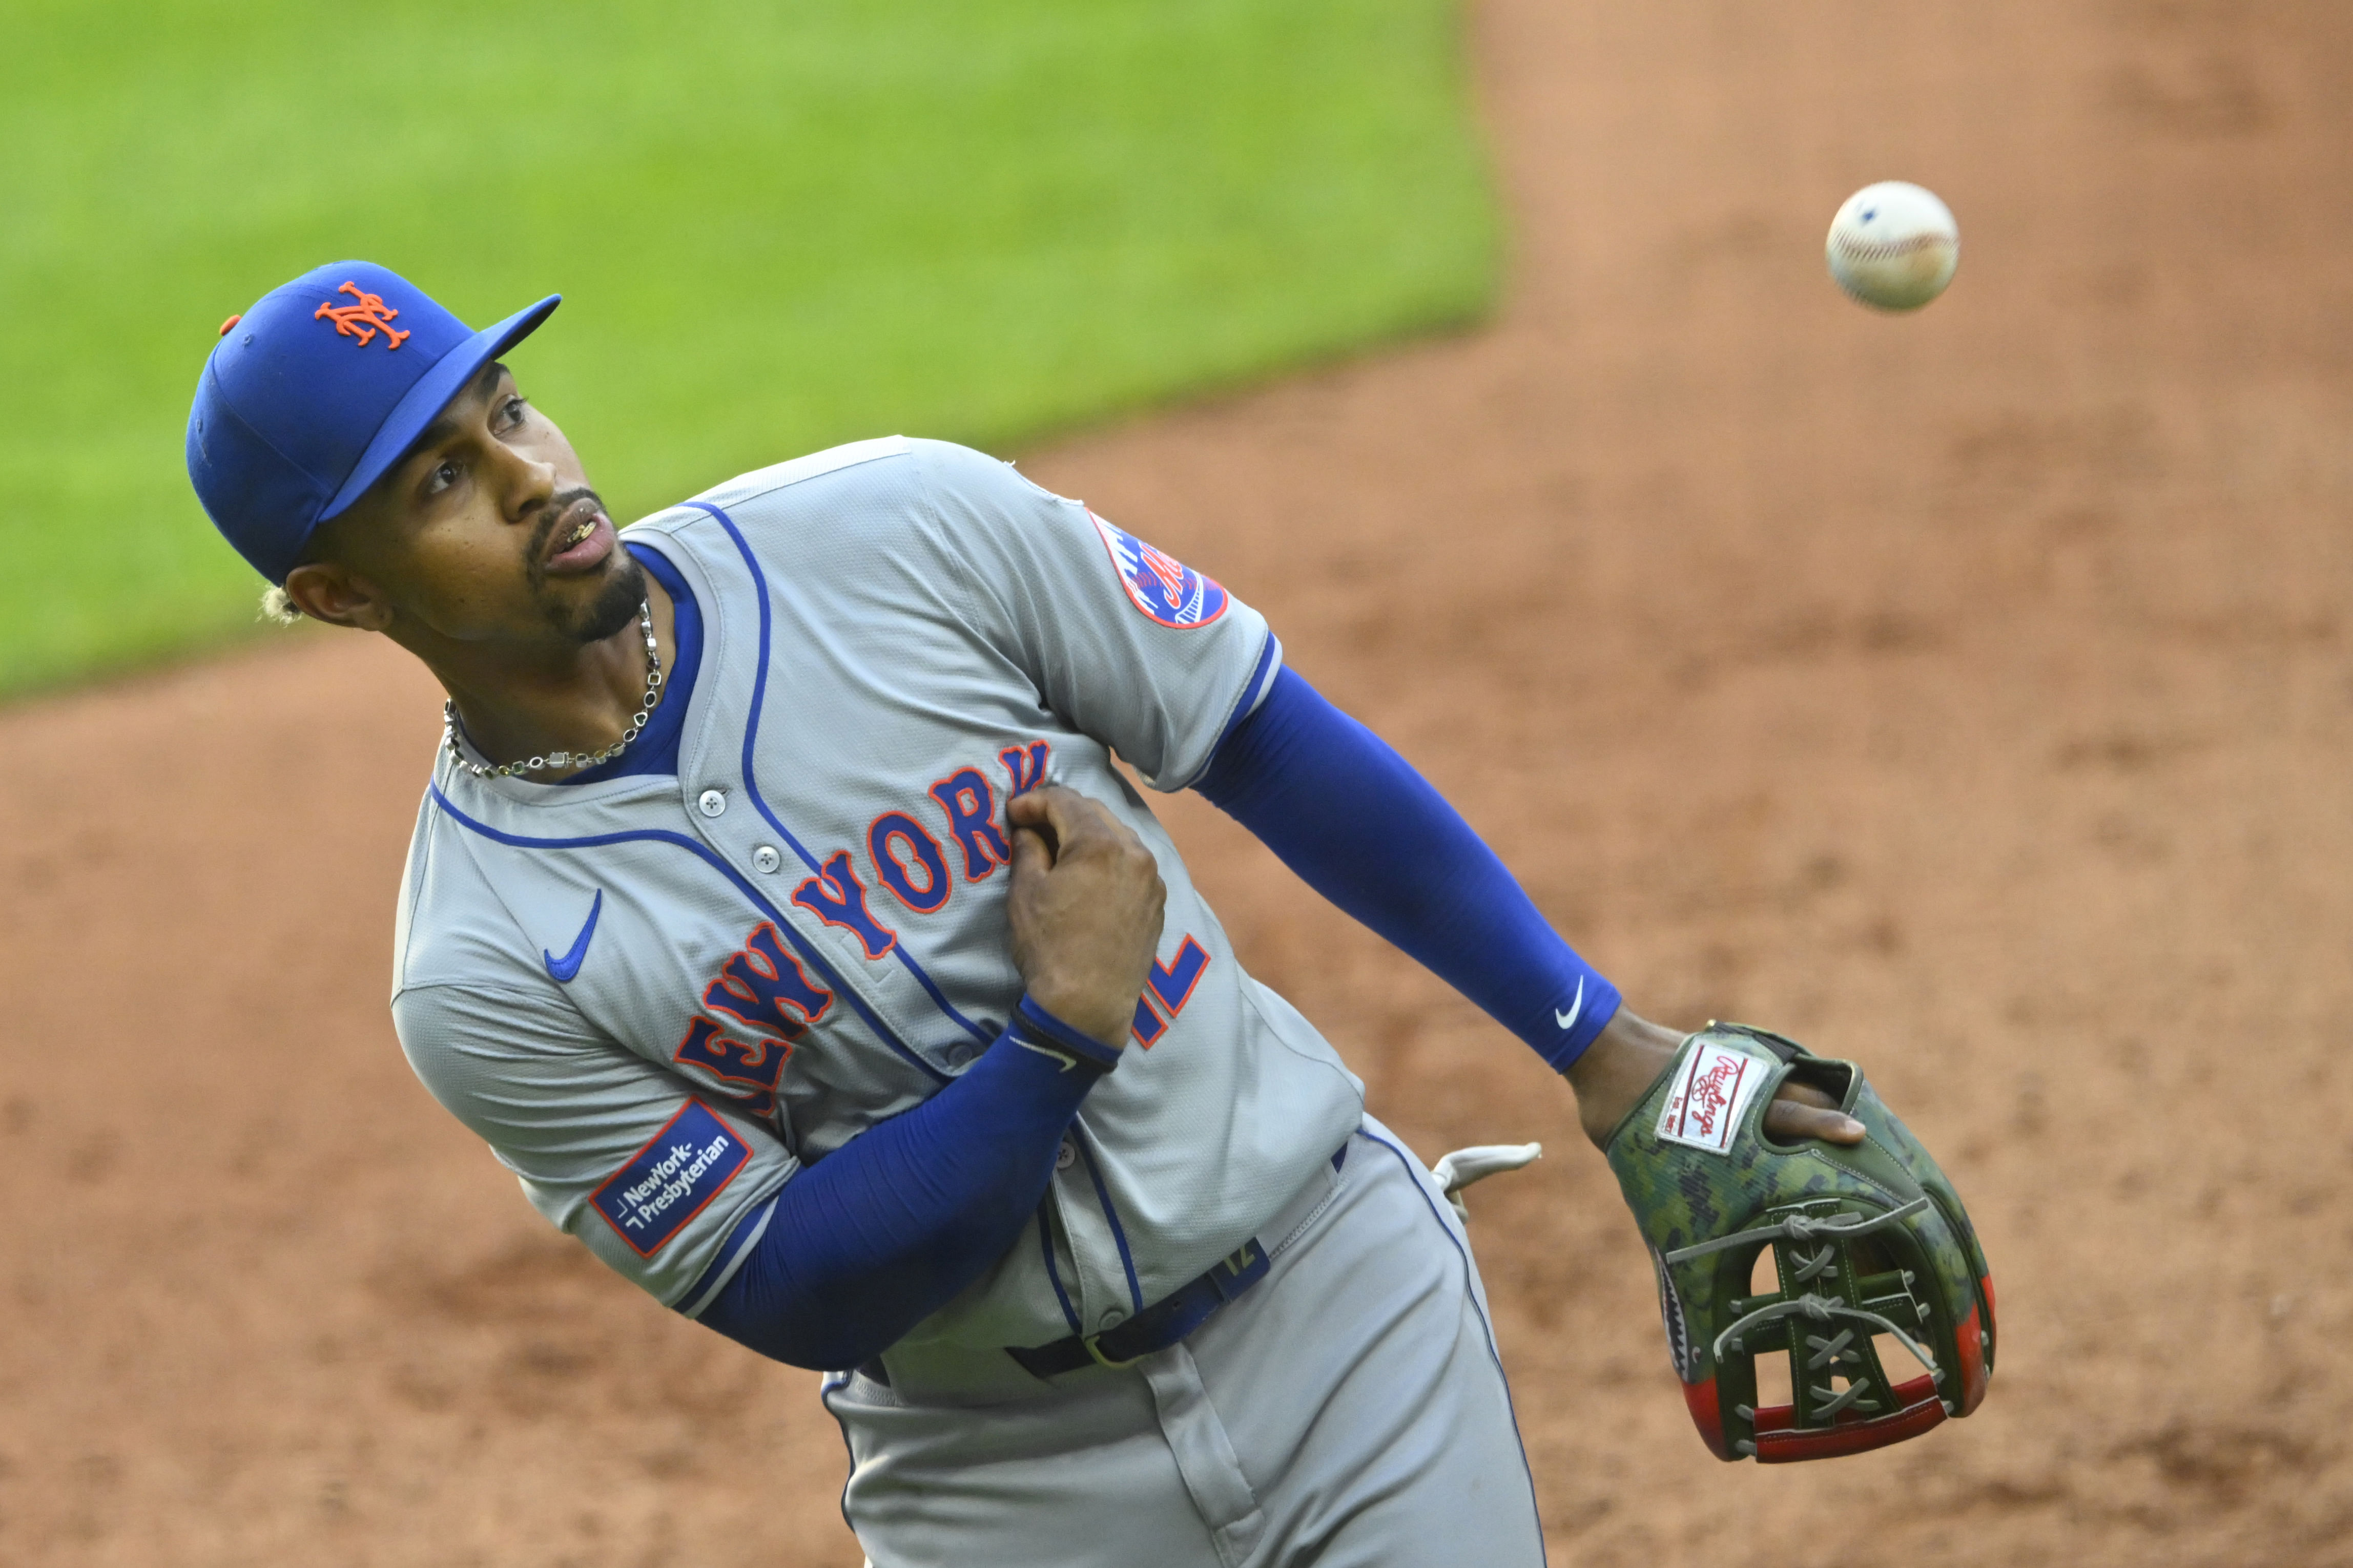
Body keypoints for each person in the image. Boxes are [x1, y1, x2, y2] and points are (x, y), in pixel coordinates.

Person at [187, 262, 1861, 1566]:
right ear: (340, 596)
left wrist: (1601, 1041)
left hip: (1344, 1318)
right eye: (440, 486)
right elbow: (795, 1285)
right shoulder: (477, 967)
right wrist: (1055, 1034)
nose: (534, 476)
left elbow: (1260, 729)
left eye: (510, 411)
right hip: (996, 1485)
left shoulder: (896, 527)